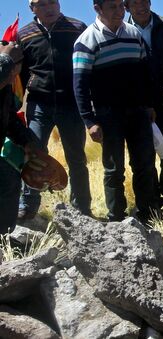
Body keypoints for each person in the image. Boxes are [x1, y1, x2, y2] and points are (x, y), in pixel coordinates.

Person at [73, 0, 160, 224]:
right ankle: (116, 219)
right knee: (113, 169)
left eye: (121, 6)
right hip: (108, 115)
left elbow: (144, 72)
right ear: (97, 9)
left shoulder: (133, 34)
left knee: (145, 164)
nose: (118, 11)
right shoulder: (86, 41)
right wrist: (89, 121)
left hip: (138, 112)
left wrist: (148, 104)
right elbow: (80, 85)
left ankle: (148, 215)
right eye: (111, 7)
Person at [17, 0, 91, 220]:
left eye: (52, 2)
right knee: (33, 154)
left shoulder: (77, 28)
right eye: (41, 4)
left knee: (76, 157)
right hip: (39, 104)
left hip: (71, 103)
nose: (48, 8)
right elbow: (19, 75)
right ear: (32, 8)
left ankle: (82, 208)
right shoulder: (24, 35)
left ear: (59, 4)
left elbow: (88, 65)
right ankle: (28, 205)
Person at [125, 0, 163, 215]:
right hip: (138, 105)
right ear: (126, 6)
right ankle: (149, 204)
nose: (141, 6)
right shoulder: (122, 30)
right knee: (142, 156)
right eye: (134, 3)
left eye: (144, 1)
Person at [0, 42, 40, 233]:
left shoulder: (5, 88)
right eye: (9, 72)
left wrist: (27, 141)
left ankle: (3, 238)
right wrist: (6, 60)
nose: (13, 77)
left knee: (9, 181)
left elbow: (9, 121)